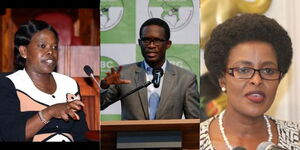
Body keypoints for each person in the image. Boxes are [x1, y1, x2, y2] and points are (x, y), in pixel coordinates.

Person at [200, 13, 300, 149]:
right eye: (243, 70)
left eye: (268, 71)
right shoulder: (193, 141)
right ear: (222, 79)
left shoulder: (297, 139)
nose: (257, 80)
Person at [0, 20, 88, 142]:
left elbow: (80, 133)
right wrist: (50, 112)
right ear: (23, 51)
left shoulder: (69, 84)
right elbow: (9, 136)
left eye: (54, 47)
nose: (51, 52)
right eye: (42, 46)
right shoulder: (8, 84)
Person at [100, 18, 200, 120]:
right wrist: (104, 86)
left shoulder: (185, 79)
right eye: (146, 40)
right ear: (140, 42)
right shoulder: (123, 74)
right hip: (131, 135)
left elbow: (194, 120)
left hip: (169, 135)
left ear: (168, 44)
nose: (151, 45)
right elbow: (100, 105)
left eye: (157, 40)